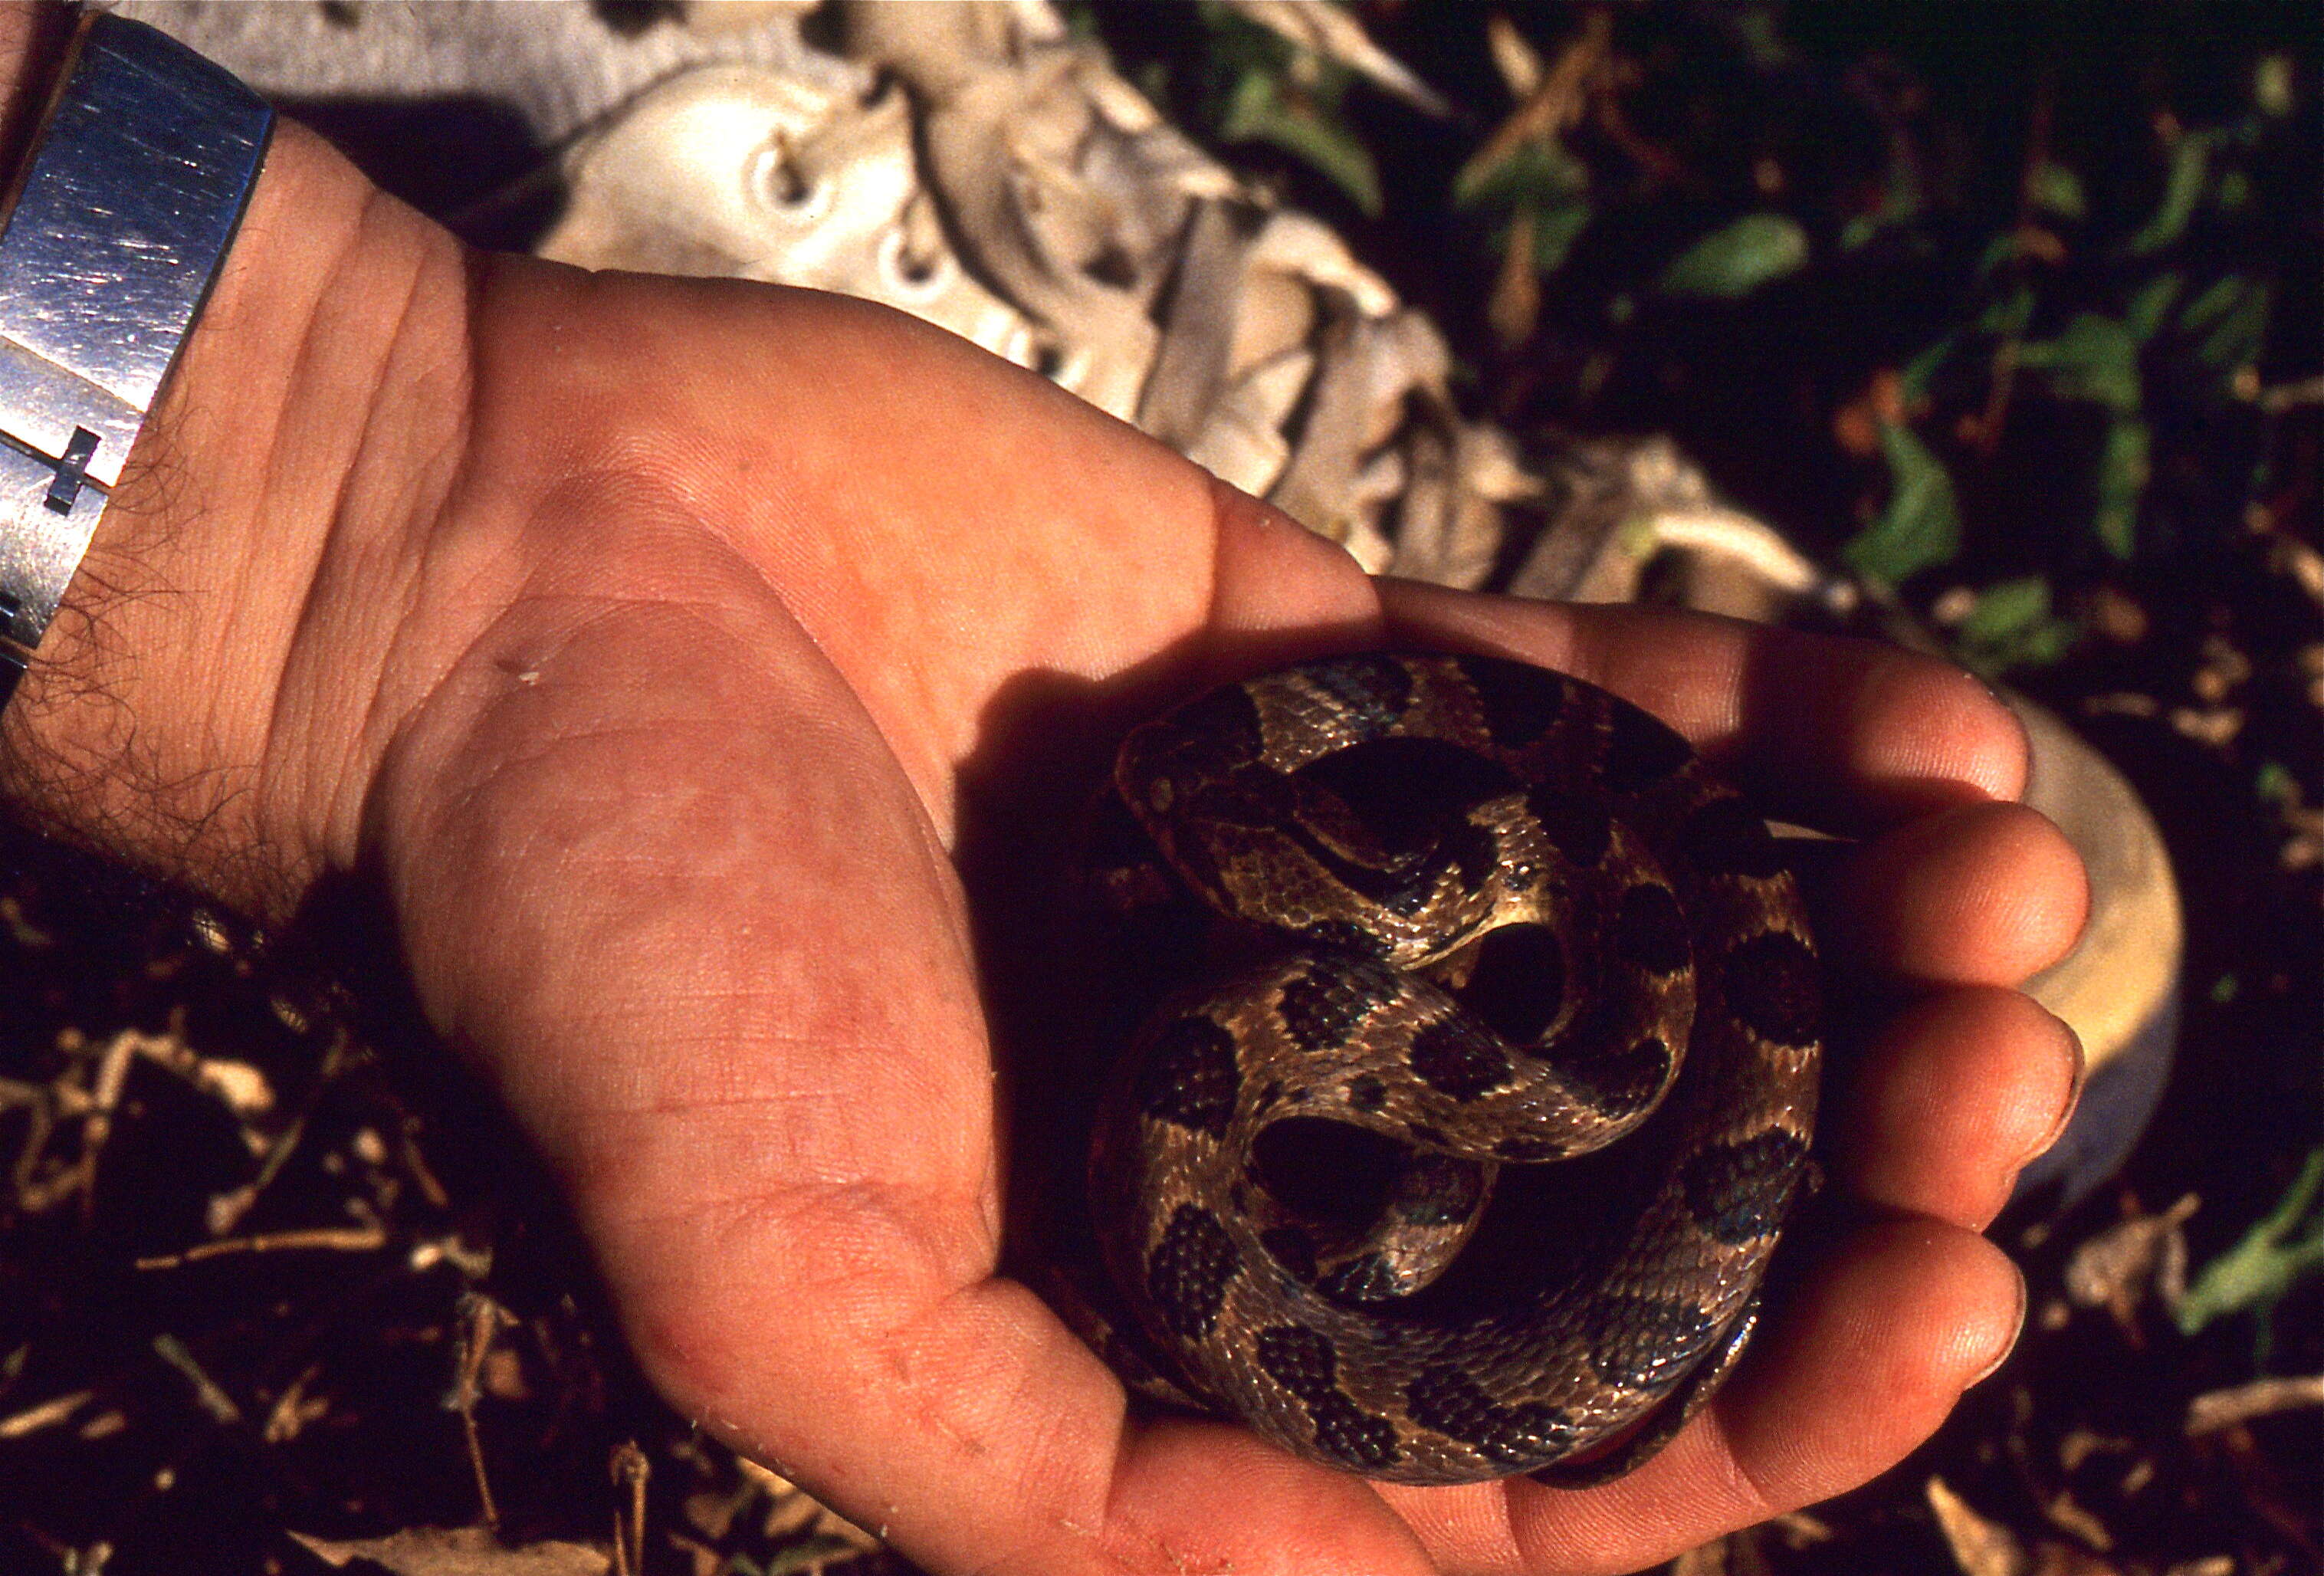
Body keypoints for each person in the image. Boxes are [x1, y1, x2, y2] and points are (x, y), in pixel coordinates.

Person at [0, 7, 2087, 1571]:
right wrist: (330, 467)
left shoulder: (1521, 1012)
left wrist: (317, 452)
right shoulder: (1400, 987)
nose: (1155, 848)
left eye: (1203, 863)